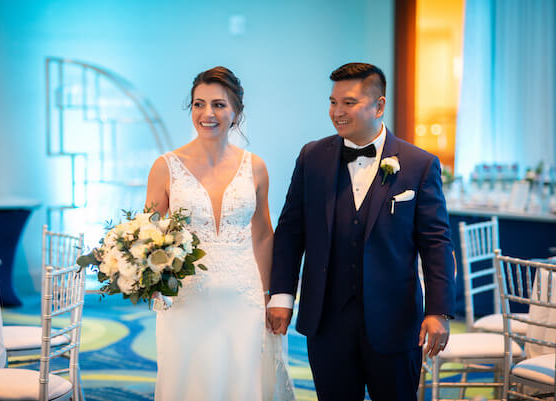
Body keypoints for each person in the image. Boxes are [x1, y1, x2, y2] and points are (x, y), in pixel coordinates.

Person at [267, 62, 455, 401]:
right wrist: (281, 295)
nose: (337, 112)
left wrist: (437, 310)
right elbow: (291, 231)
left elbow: (436, 243)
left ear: (379, 106)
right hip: (327, 320)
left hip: (395, 322)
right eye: (333, 102)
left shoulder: (418, 164)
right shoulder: (312, 157)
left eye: (348, 103)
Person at [146, 66, 294, 401]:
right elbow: (149, 236)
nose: (207, 114)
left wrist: (270, 293)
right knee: (187, 378)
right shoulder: (165, 166)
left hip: (243, 295)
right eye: (198, 104)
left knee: (241, 378)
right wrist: (153, 282)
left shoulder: (255, 167)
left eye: (218, 105)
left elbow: (262, 235)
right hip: (185, 297)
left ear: (236, 112)